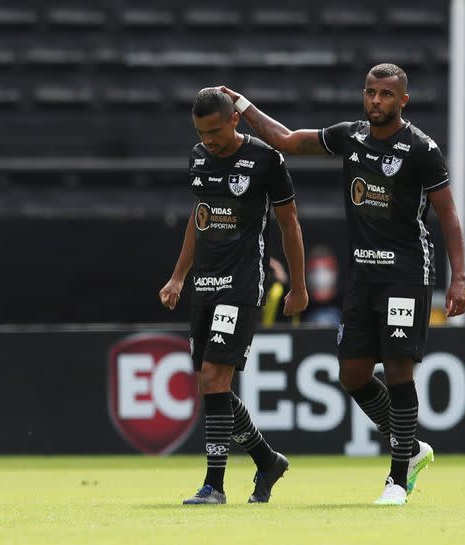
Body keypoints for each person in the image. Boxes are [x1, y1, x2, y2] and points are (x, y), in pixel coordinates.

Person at [219, 63, 465, 505]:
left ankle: (396, 479)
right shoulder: (350, 136)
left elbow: (448, 215)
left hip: (406, 275)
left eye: (386, 95)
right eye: (371, 93)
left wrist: (459, 279)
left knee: (397, 369)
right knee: (352, 375)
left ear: (402, 101)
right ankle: (410, 446)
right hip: (363, 276)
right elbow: (286, 141)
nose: (376, 101)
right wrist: (243, 105)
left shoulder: (421, 150)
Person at [159, 88, 308, 505]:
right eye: (201, 133)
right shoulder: (197, 158)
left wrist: (298, 285)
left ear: (234, 120)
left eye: (214, 131)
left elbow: (289, 223)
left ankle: (215, 486)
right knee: (211, 384)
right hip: (204, 285)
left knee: (213, 377)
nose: (208, 140)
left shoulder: (264, 159)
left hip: (241, 285)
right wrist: (178, 277)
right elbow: (199, 215)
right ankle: (266, 458)